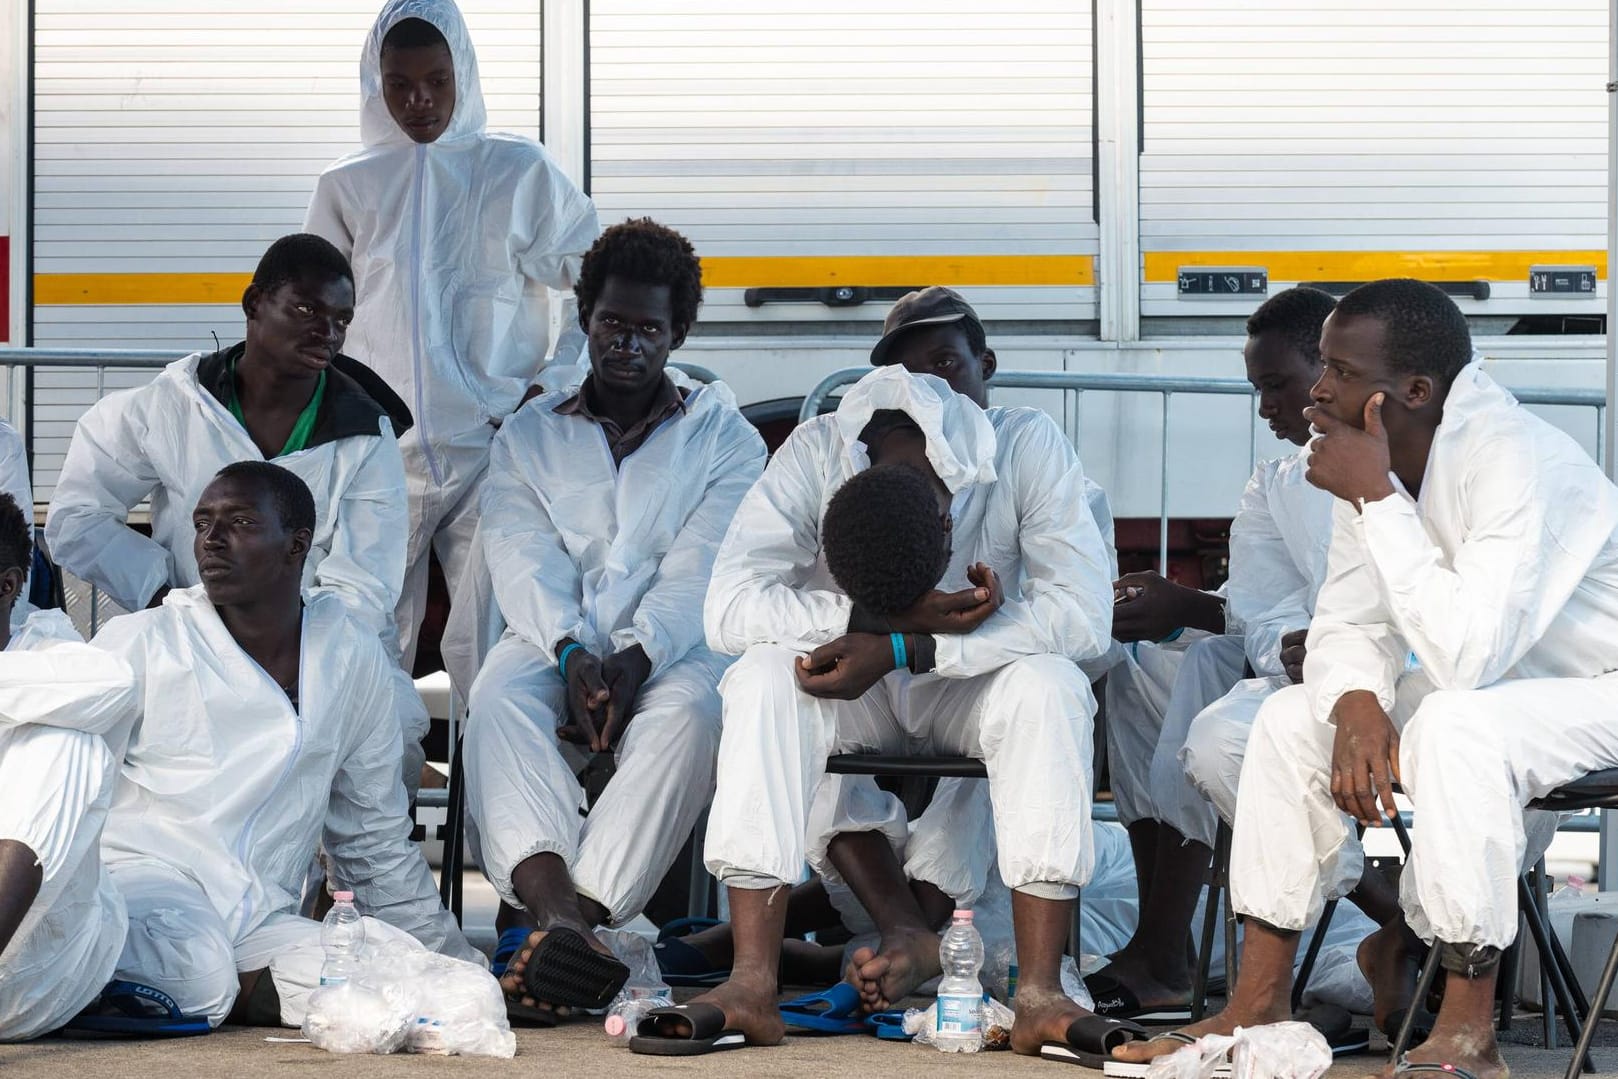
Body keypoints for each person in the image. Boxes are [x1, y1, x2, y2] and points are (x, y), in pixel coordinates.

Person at [1113, 278, 1618, 1079]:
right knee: (1284, 721)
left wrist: (1375, 496)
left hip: (1597, 686)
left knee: (1455, 725)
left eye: (1339, 371)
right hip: (1495, 687)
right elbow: (1351, 620)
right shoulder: (1377, 459)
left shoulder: (1516, 458)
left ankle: (1465, 1027)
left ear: (1412, 391)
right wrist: (1352, 701)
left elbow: (1464, 654)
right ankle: (1259, 1002)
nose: (1318, 389)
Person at [631, 285, 1115, 1058]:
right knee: (761, 679)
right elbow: (727, 607)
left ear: (955, 509)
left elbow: (1086, 618)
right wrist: (866, 622)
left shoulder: (1029, 444)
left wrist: (915, 649)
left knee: (1050, 684)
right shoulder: (819, 449)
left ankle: (1039, 991)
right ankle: (752, 982)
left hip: (963, 682)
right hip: (860, 676)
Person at [459, 220, 765, 1014]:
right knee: (495, 701)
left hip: (677, 646)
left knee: (694, 713)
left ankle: (565, 926)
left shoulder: (725, 436)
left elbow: (703, 567)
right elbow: (521, 557)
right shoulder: (528, 433)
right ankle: (577, 928)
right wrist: (569, 653)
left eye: (648, 329)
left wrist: (635, 657)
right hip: (551, 635)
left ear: (679, 332)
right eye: (611, 323)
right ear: (585, 317)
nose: (627, 344)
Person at [82, 462, 478, 1029]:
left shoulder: (350, 656)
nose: (211, 541)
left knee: (422, 977)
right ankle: (171, 984)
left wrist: (451, 963)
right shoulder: (142, 643)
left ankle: (234, 994)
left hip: (257, 917)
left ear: (297, 545)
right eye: (201, 523)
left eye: (239, 522)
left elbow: (370, 833)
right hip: (145, 887)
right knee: (196, 970)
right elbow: (65, 784)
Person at [304, 0, 600, 669]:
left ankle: (482, 776)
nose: (419, 99)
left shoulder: (516, 170)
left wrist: (552, 384)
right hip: (382, 454)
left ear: (462, 71)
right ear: (373, 81)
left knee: (491, 645)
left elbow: (599, 278)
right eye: (399, 83)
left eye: (437, 80)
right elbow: (311, 309)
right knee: (368, 637)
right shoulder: (347, 185)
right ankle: (380, 777)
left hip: (490, 449)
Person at [1085, 287, 1350, 1020]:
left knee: (1208, 692)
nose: (1265, 406)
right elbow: (1263, 611)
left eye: (1276, 384)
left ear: (1332, 370)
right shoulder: (1277, 482)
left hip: (1402, 684)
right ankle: (1160, 942)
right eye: (1256, 388)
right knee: (1144, 674)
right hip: (1306, 675)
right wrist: (1275, 640)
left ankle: (1385, 914)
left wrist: (1335, 647)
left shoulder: (1411, 461)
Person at [45, 234, 411, 650]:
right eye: (307, 309)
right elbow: (76, 518)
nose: (327, 333)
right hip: (188, 646)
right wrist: (166, 597)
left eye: (341, 320)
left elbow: (365, 581)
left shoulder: (365, 433)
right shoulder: (171, 406)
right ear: (254, 303)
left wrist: (289, 646)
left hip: (319, 653)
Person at [0, 492, 142, 1040]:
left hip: (37, 971)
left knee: (65, 735)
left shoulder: (59, 660)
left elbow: (116, 685)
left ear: (7, 586)